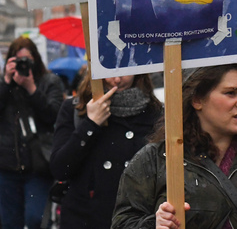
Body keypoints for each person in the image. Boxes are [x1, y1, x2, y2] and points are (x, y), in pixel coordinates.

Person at [111, 63, 237, 228]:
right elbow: (122, 222)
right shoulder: (155, 160)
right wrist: (155, 224)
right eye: (231, 93)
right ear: (197, 99)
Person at [50, 71, 163, 229]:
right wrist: (90, 124)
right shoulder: (76, 108)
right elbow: (60, 168)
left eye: (124, 71)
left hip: (136, 218)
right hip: (85, 217)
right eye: (110, 71)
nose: (116, 79)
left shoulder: (154, 112)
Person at [0, 36, 65, 229]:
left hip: (38, 166)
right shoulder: (4, 84)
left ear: (35, 59)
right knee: (10, 223)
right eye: (17, 60)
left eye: (26, 60)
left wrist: (31, 89)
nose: (22, 65)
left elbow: (54, 115)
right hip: (6, 166)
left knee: (35, 219)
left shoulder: (49, 81)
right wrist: (6, 82)